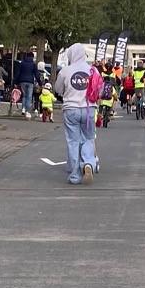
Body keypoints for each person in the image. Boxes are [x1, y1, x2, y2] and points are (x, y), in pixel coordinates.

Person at [57, 43, 100, 184]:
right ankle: (88, 163)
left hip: (71, 109)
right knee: (88, 138)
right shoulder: (93, 70)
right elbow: (99, 90)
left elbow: (58, 89)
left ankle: (75, 175)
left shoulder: (65, 71)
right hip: (89, 109)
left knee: (73, 141)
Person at [14, 49, 40, 118]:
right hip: (30, 82)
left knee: (24, 96)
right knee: (29, 96)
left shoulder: (22, 63)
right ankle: (27, 111)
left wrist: (15, 82)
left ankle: (23, 109)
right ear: (32, 57)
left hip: (22, 81)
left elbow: (18, 73)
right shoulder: (33, 64)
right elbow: (36, 74)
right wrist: (40, 82)